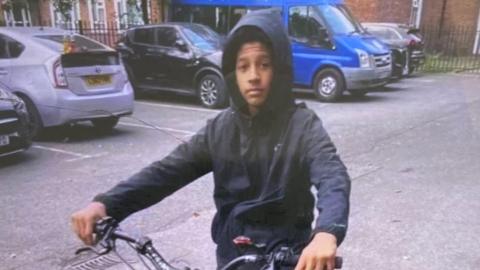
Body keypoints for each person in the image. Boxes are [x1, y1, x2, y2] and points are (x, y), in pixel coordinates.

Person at [71, 9, 351, 270]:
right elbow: (167, 171)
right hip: (232, 258)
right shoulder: (220, 129)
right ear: (233, 74)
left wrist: (326, 232)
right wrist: (106, 204)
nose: (253, 76)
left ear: (278, 69)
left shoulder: (302, 125)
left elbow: (332, 175)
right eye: (243, 67)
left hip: (288, 258)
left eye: (263, 64)